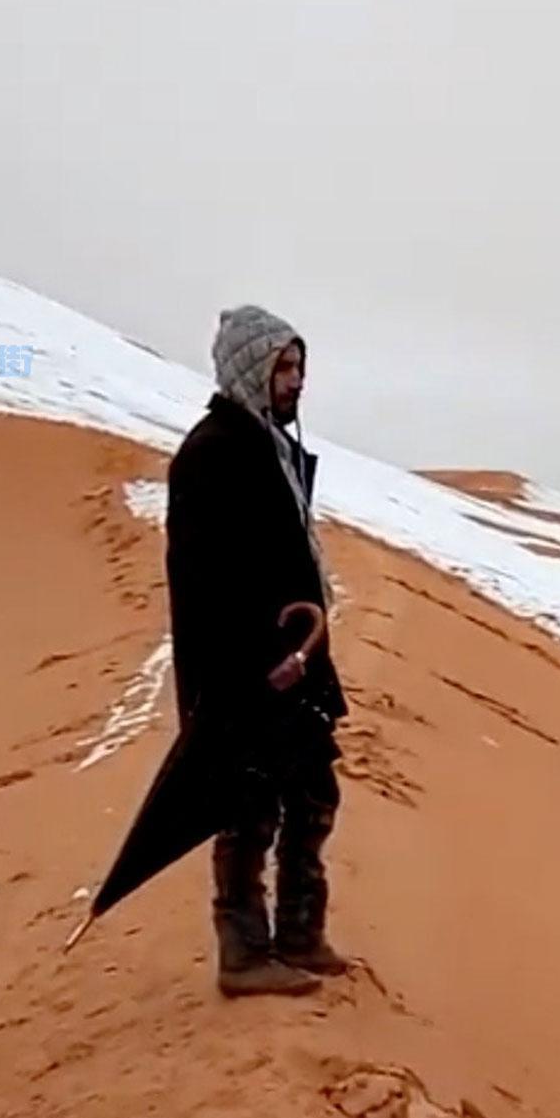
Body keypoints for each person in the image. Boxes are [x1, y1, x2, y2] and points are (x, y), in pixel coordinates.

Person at [166, 305, 347, 998]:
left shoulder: (266, 444)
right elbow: (204, 578)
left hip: (294, 660)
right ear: (252, 369)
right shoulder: (215, 451)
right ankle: (243, 953)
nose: (297, 381)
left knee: (312, 791)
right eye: (284, 367)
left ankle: (301, 934)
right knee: (248, 805)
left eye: (300, 366)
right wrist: (252, 664)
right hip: (245, 669)